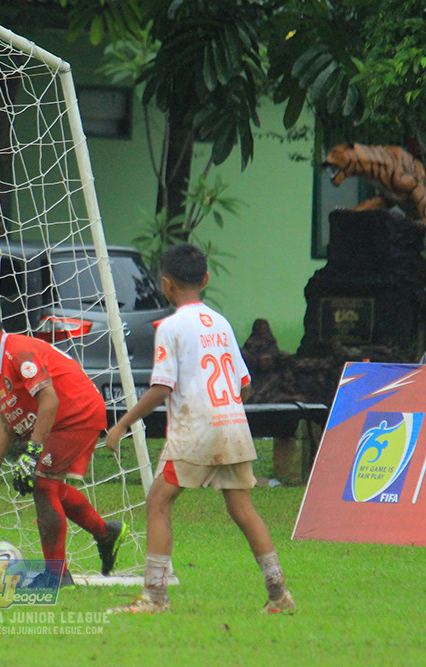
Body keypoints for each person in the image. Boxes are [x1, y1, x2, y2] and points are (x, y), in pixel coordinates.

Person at [104, 243, 294, 614]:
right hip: (232, 425)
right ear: (205, 279)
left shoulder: (171, 327)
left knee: (158, 502)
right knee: (243, 509)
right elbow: (244, 385)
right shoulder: (221, 323)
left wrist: (123, 423)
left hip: (196, 428)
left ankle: (155, 598)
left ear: (165, 284)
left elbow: (161, 388)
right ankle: (279, 593)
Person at [0, 294, 127, 587]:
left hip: (77, 414)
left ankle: (56, 577)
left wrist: (32, 452)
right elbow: (7, 422)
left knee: (42, 483)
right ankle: (105, 533)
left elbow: (49, 400)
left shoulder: (17, 352)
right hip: (59, 421)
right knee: (49, 486)